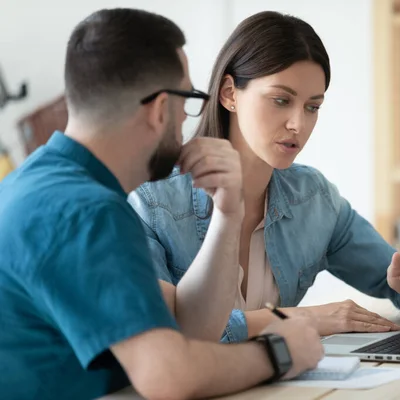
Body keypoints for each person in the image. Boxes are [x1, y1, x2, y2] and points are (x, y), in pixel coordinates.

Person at [0, 8, 323, 400]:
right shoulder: (87, 211)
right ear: (159, 109)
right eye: (187, 99)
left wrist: (228, 213)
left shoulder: (38, 182)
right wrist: (281, 352)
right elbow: (168, 375)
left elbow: (188, 331)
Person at [128, 10, 400, 344]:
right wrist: (301, 318)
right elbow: (162, 334)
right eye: (281, 100)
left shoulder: (314, 200)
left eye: (312, 107)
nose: (298, 124)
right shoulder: (151, 203)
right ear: (229, 94)